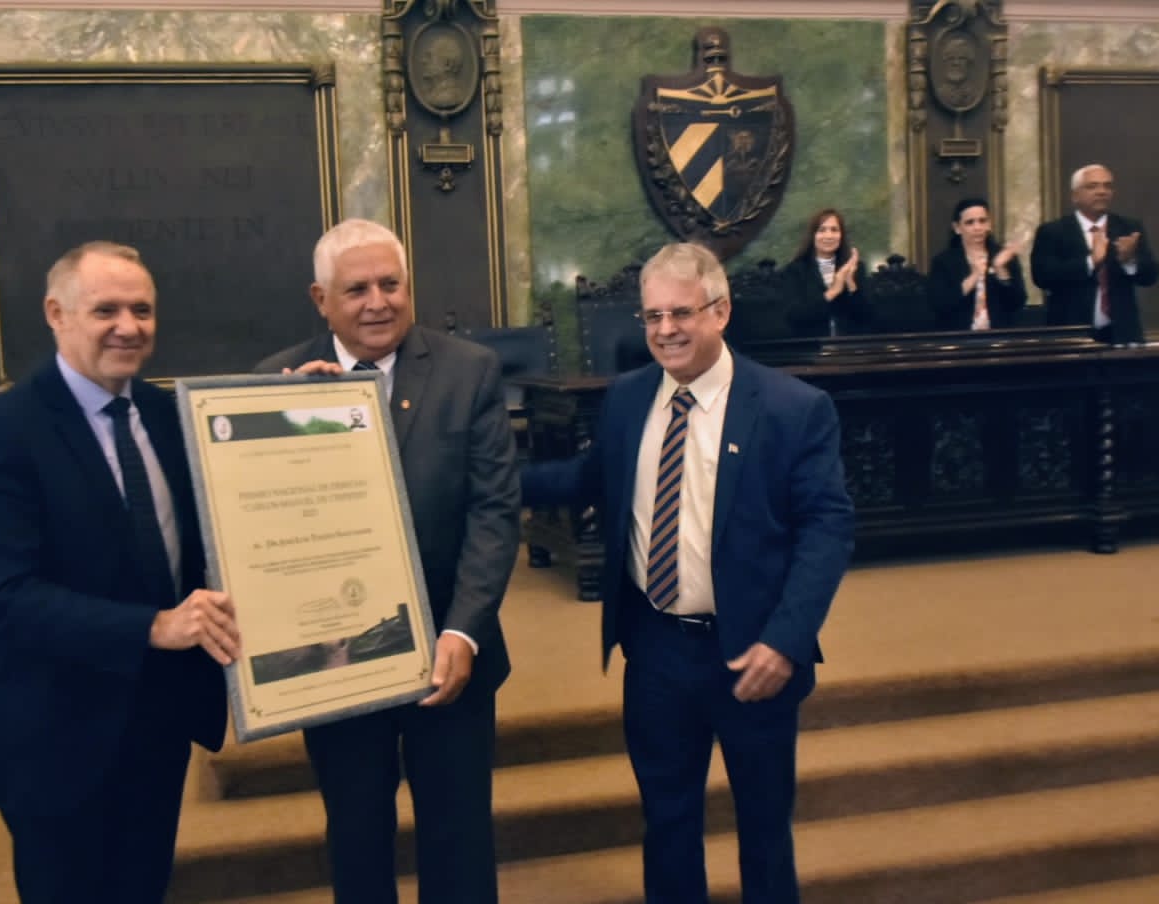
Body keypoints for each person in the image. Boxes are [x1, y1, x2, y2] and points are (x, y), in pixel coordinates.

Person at [523, 242, 854, 903]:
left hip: (754, 657)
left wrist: (787, 640)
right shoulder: (625, 399)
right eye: (651, 317)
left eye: (681, 313)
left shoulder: (793, 409)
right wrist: (483, 480)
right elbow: (586, 479)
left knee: (763, 829)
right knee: (668, 823)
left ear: (721, 310)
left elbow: (828, 529)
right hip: (656, 652)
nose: (665, 330)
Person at [0, 241, 240, 904]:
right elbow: (6, 597)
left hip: (158, 721)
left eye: (142, 309)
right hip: (54, 730)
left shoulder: (172, 417)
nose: (129, 326)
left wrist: (316, 404)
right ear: (57, 313)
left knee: (142, 887)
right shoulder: (2, 429)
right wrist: (154, 627)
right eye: (105, 309)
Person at [255, 218, 520, 904]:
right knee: (357, 835)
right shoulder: (272, 383)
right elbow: (266, 531)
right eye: (357, 289)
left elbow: (492, 513)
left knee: (458, 837)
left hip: (449, 655)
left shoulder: (470, 371)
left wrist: (463, 629)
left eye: (391, 284)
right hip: (336, 664)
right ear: (320, 300)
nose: (378, 301)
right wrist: (292, 421)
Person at [1031, 163, 1159, 345]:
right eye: (1092, 186)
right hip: (1071, 333)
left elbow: (1151, 275)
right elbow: (1042, 277)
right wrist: (1090, 262)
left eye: (1107, 186)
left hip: (1122, 334)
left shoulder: (1129, 228)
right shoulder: (1053, 231)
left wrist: (1129, 262)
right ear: (1075, 196)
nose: (1102, 191)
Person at [927, 197, 1027, 331]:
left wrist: (1000, 269)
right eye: (970, 223)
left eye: (982, 221)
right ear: (957, 228)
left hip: (1000, 337)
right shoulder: (943, 262)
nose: (977, 227)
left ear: (989, 224)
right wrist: (974, 277)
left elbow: (1017, 302)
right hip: (957, 338)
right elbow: (940, 305)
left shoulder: (1004, 257)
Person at [781, 208, 871, 337]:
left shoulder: (855, 267)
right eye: (822, 230)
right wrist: (832, 292)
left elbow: (867, 318)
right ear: (813, 236)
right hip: (811, 349)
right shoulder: (796, 270)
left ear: (841, 235)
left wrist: (851, 283)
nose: (829, 236)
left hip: (849, 348)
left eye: (834, 230)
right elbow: (794, 316)